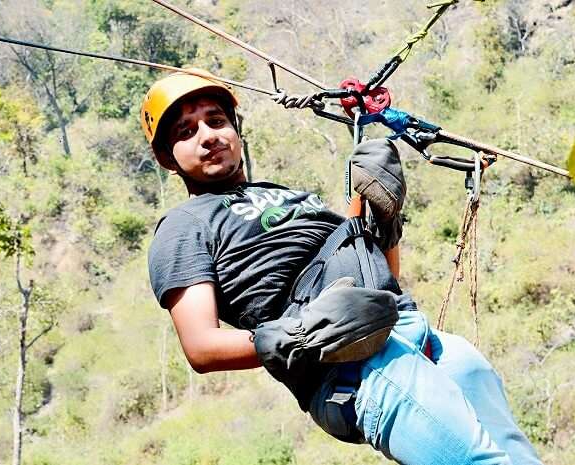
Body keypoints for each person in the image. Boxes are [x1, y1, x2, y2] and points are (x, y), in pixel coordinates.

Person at [143, 69, 543, 465]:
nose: (208, 136)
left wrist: (385, 221)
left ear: (235, 128)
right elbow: (201, 348)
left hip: (410, 330)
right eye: (186, 132)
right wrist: (300, 336)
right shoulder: (184, 226)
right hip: (354, 368)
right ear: (165, 157)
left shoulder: (285, 195)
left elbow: (378, 285)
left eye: (215, 121)